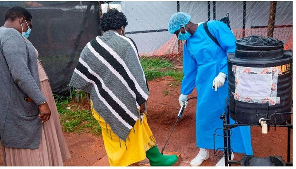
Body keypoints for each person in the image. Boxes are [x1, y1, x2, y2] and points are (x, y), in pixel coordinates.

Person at [70, 9, 178, 166]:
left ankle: (156, 158)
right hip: (127, 100)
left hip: (100, 102)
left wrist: (97, 97)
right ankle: (123, 164)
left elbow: (83, 79)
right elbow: (136, 74)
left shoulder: (90, 47)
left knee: (123, 133)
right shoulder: (126, 43)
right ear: (122, 27)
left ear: (103, 28)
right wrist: (141, 100)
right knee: (131, 130)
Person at [168, 12, 253, 166]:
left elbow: (233, 50)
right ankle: (203, 150)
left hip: (226, 80)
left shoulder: (213, 27)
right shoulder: (188, 44)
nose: (177, 37)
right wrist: (184, 93)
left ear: (183, 26)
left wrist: (223, 73)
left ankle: (228, 152)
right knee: (204, 115)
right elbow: (190, 70)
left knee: (228, 114)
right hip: (205, 83)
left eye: (176, 33)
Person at [0, 6, 70, 166]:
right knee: (34, 135)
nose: (28, 30)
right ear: (21, 21)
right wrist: (41, 101)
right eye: (28, 26)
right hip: (29, 95)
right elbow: (20, 73)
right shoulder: (11, 35)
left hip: (13, 99)